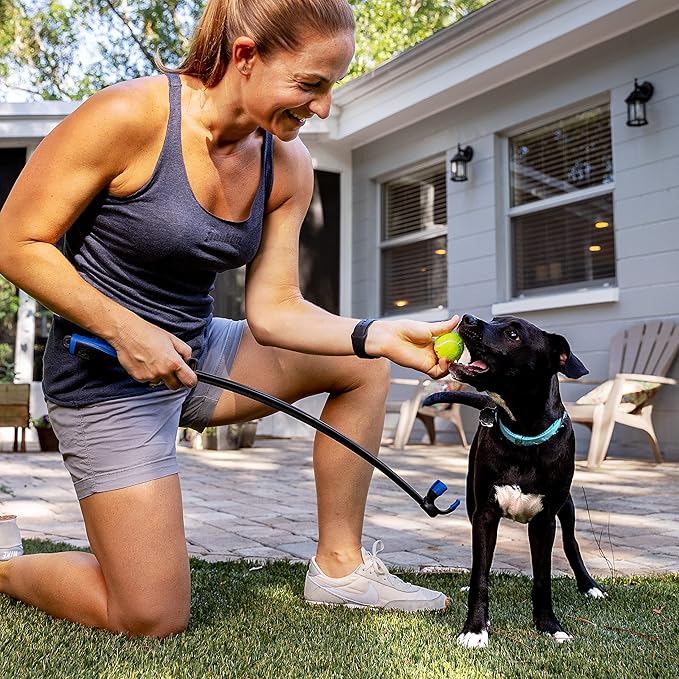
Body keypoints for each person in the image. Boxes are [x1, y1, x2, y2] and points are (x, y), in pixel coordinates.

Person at [0, 0, 459, 637]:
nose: (323, 107)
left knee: (363, 366)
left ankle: (339, 568)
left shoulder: (286, 163)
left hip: (196, 353)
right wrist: (123, 328)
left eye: (332, 88)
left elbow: (275, 308)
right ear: (244, 57)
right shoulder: (129, 117)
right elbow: (16, 242)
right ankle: (4, 566)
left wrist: (373, 334)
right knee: (149, 616)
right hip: (104, 374)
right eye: (310, 84)